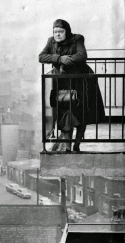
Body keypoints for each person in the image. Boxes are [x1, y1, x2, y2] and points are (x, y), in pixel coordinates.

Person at [39, 19, 105, 151]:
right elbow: (41, 57)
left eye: (61, 31)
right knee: (65, 112)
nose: (57, 34)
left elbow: (82, 56)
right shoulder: (51, 41)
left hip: (82, 81)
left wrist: (65, 61)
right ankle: (68, 146)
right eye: (55, 32)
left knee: (82, 113)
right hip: (63, 83)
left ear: (67, 31)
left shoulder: (77, 39)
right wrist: (59, 58)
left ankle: (77, 144)